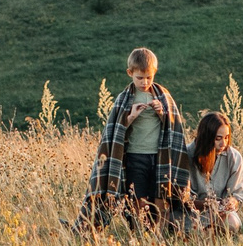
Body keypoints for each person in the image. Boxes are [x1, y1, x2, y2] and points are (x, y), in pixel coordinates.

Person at [76, 47, 186, 232]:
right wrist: (131, 117)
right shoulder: (124, 98)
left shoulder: (163, 96)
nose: (145, 82)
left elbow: (172, 126)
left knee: (160, 197)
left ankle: (159, 233)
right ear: (130, 73)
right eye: (140, 78)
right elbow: (116, 129)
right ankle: (139, 232)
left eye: (149, 77)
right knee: (138, 199)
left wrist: (162, 113)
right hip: (135, 156)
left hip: (159, 156)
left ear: (154, 73)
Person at [182, 109, 243, 234]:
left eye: (226, 138)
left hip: (222, 213)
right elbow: (183, 200)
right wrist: (207, 204)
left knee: (232, 223)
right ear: (206, 137)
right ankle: (204, 235)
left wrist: (231, 202)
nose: (223, 143)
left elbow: (237, 195)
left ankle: (210, 234)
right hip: (192, 214)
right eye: (218, 138)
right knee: (191, 229)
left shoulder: (234, 157)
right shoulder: (185, 155)